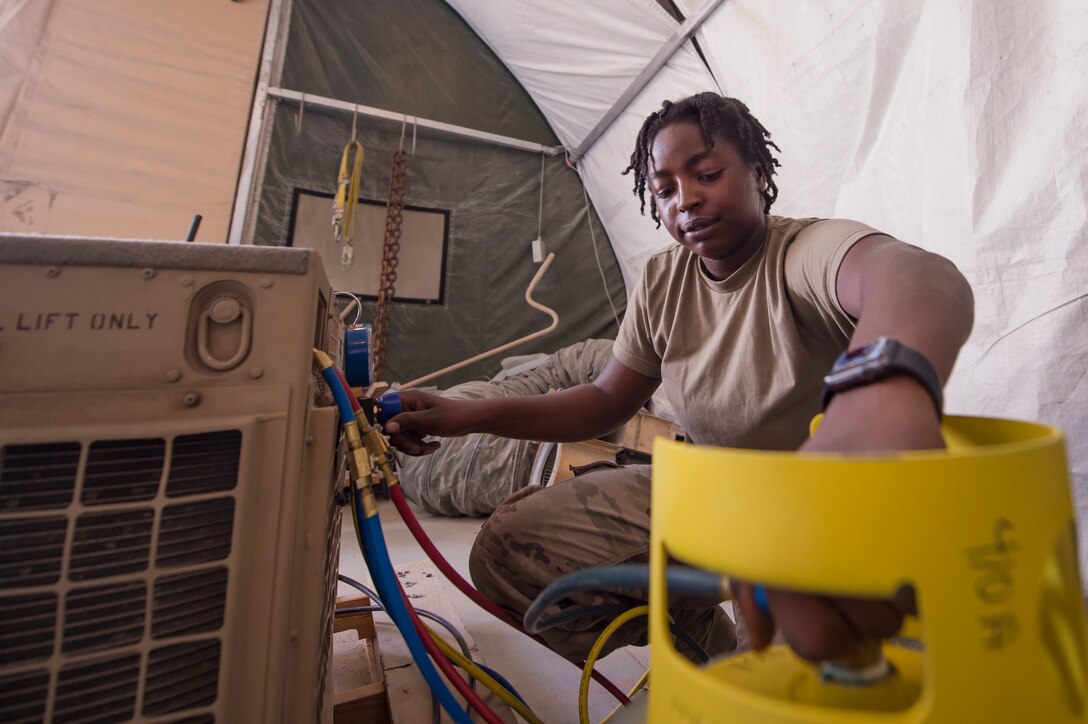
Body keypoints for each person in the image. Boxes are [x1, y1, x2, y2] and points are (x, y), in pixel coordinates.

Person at [384, 92, 974, 665]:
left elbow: (917, 276)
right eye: (664, 189)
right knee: (513, 555)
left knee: (820, 674)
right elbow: (604, 400)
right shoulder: (666, 280)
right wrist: (467, 414)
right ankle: (703, 645)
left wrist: (875, 403)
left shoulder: (802, 252)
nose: (684, 200)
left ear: (759, 172)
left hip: (826, 511)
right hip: (714, 494)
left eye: (708, 174)